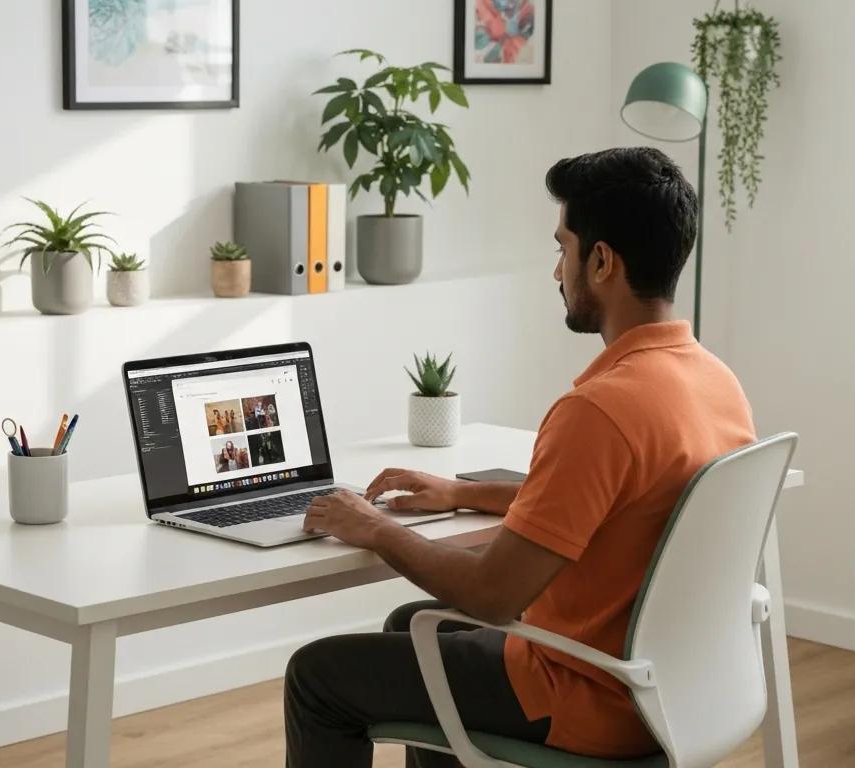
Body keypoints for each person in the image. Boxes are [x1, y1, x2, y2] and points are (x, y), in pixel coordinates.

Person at [285, 147, 756, 767]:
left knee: (317, 676)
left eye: (563, 248)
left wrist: (371, 528)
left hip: (587, 692)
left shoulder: (599, 409)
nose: (556, 271)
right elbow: (621, 505)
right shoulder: (714, 380)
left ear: (603, 261)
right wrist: (462, 493)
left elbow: (491, 595)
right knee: (415, 622)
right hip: (674, 685)